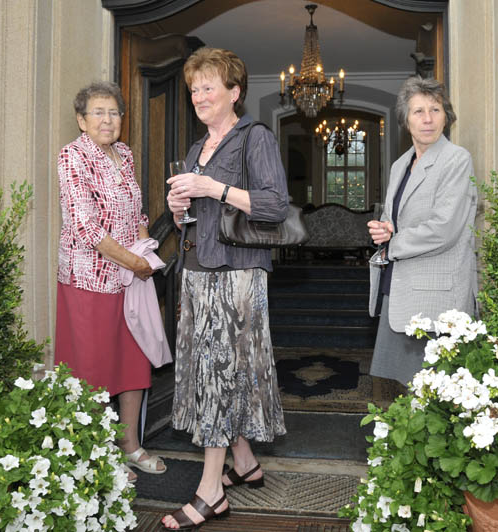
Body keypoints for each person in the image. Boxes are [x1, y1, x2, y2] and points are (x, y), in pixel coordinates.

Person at [161, 47, 288, 530]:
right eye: (194, 89)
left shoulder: (255, 138)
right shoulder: (197, 149)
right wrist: (179, 211)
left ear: (234, 92)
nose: (199, 96)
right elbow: (197, 220)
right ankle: (246, 463)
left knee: (219, 374)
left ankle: (211, 491)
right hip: (198, 272)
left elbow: (275, 205)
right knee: (209, 369)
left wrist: (211, 188)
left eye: (208, 87)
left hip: (237, 275)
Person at [55, 81, 166, 480]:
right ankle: (98, 453)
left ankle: (129, 446)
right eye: (98, 112)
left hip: (129, 277)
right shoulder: (72, 156)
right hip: (89, 279)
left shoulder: (125, 154)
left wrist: (144, 250)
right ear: (81, 120)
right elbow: (86, 227)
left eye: (114, 112)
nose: (107, 120)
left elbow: (137, 213)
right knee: (93, 369)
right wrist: (135, 262)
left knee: (133, 360)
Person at [367, 76, 478, 387]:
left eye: (435, 110)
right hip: (400, 289)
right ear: (406, 120)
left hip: (436, 295)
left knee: (435, 390)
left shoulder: (456, 160)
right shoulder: (400, 165)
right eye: (418, 111)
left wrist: (393, 243)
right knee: (409, 389)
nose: (427, 119)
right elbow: (395, 218)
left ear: (446, 117)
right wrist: (385, 228)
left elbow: (445, 228)